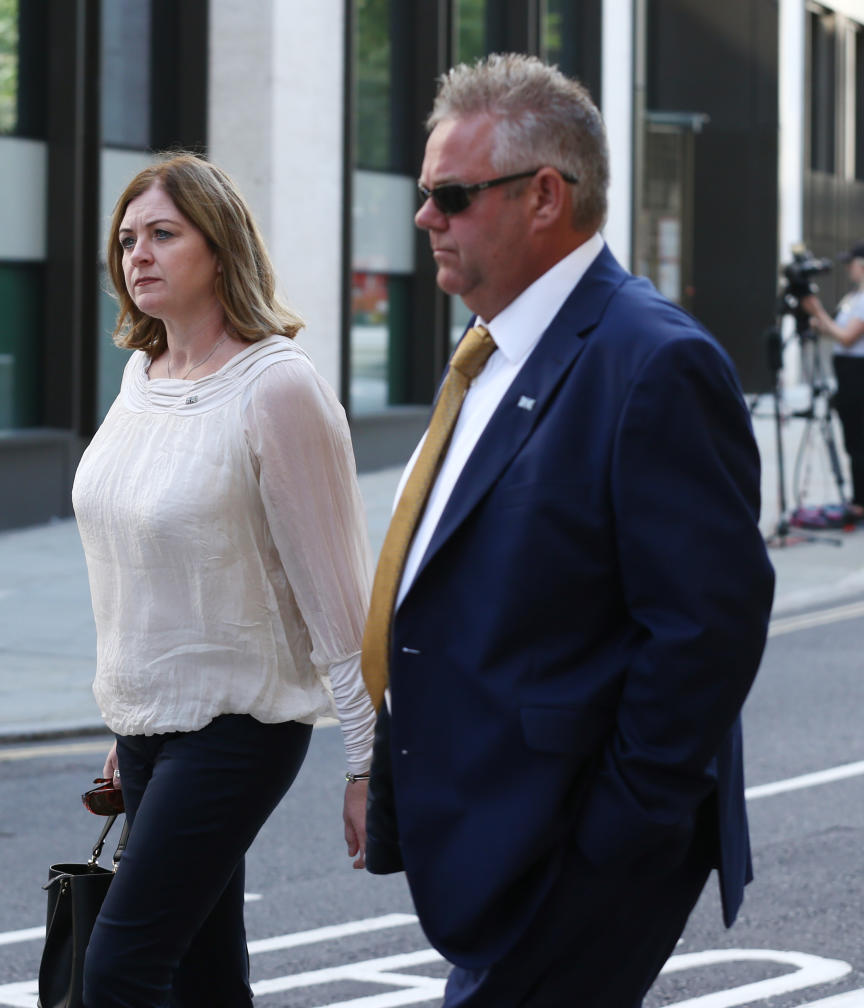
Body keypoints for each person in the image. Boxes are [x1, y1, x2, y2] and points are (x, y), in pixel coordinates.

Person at [360, 54, 774, 1007]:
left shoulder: (654, 362)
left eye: (452, 195)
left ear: (545, 196)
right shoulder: (490, 348)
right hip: (495, 834)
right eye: (427, 194)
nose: (426, 218)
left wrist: (616, 836)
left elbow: (707, 628)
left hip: (574, 850)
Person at [71, 152, 376, 1007]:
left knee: (119, 970)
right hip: (148, 729)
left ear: (221, 245)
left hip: (238, 729)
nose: (139, 255)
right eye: (128, 239)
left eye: (164, 234)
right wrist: (133, 705)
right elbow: (145, 563)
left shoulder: (276, 388)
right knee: (205, 978)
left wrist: (367, 760)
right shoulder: (142, 379)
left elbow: (337, 593)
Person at [802, 242, 864, 518]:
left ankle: (861, 503)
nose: (849, 269)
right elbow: (837, 331)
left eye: (851, 263)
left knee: (860, 441)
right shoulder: (853, 297)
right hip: (847, 376)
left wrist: (818, 313)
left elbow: (847, 337)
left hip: (858, 377)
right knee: (853, 440)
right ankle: (858, 498)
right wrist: (819, 322)